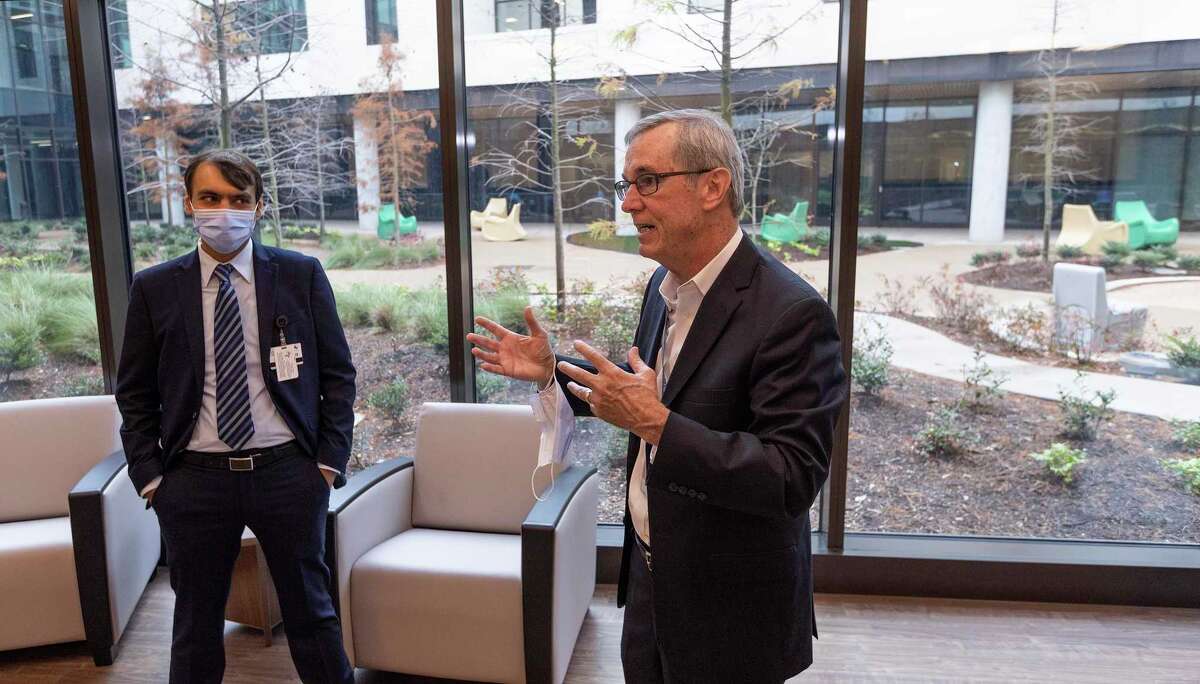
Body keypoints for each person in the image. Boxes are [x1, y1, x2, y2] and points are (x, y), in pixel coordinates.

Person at [468, 109, 848, 683]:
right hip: (650, 584)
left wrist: (659, 426)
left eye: (648, 182)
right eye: (627, 185)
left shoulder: (791, 313)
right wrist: (554, 372)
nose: (627, 203)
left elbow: (790, 477)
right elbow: (641, 396)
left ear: (713, 187)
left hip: (731, 616)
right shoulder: (662, 284)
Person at [115, 149, 356, 684]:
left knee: (312, 616)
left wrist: (326, 464)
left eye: (238, 200)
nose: (224, 210)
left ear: (258, 206)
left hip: (288, 475)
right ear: (188, 204)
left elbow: (338, 375)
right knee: (195, 626)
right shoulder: (154, 288)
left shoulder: (300, 275)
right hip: (193, 481)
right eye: (210, 198)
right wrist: (152, 479)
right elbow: (133, 392)